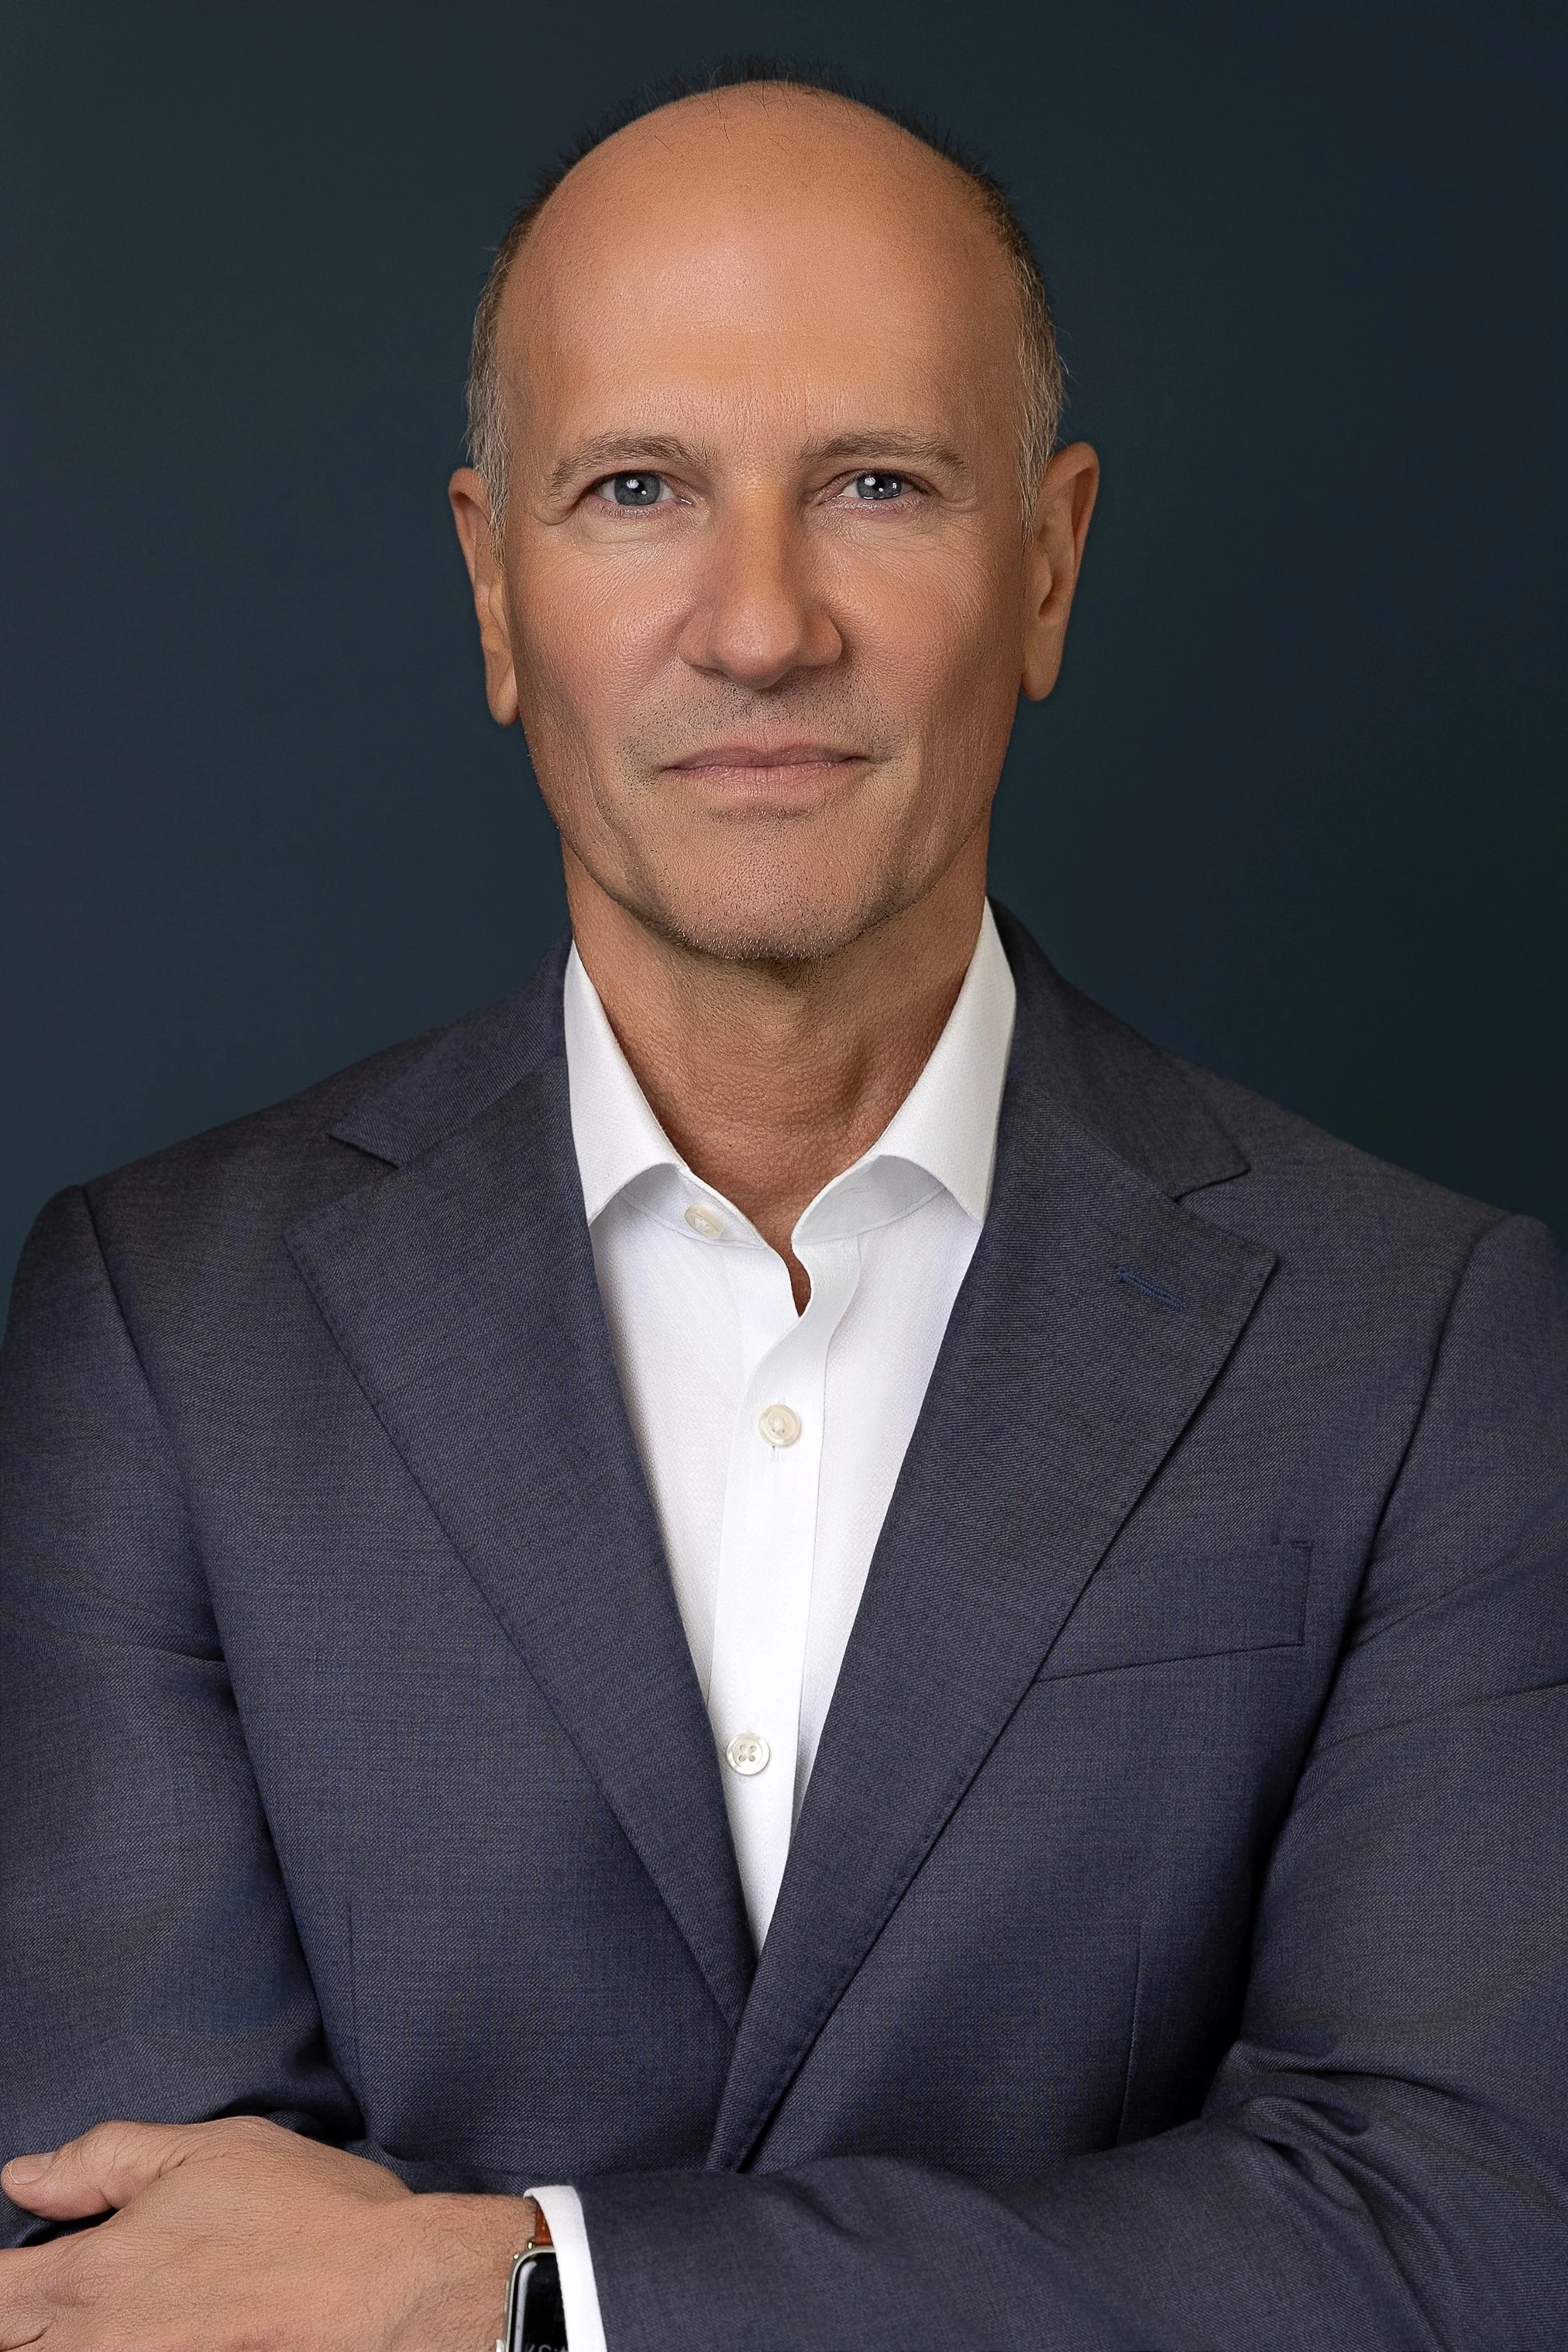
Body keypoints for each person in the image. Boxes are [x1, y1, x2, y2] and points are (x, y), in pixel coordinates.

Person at [1, 62, 1565, 2352]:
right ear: (493, 584)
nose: (760, 625)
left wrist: (540, 2292)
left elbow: (1461, 2230)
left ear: (1044, 560)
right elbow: (145, 2288)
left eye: (875, 484)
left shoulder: (1433, 1341)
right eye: (636, 488)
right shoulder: (151, 1325)